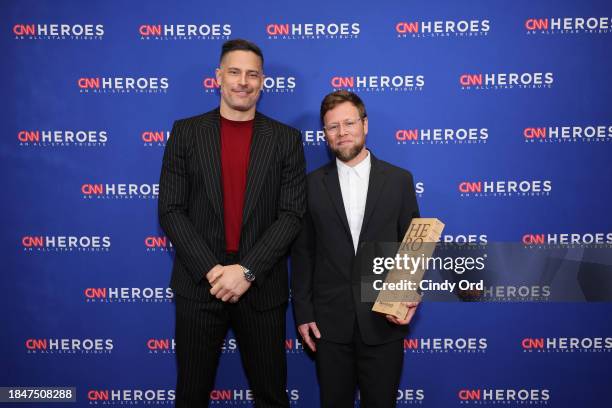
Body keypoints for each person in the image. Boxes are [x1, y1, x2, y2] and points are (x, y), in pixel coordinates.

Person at [158, 39, 306, 408]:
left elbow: (291, 215)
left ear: (263, 81)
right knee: (190, 395)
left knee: (271, 395)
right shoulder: (186, 132)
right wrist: (213, 270)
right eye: (235, 72)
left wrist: (247, 271)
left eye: (252, 74)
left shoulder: (286, 140)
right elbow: (171, 210)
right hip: (199, 284)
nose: (243, 81)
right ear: (218, 77)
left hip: (261, 285)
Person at [291, 90, 420, 408]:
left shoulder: (399, 180)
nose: (342, 132)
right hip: (329, 327)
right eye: (332, 126)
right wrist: (304, 312)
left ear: (365, 124)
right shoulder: (309, 185)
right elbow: (304, 253)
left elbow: (412, 246)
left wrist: (410, 293)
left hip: (383, 322)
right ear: (324, 134)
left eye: (349, 122)